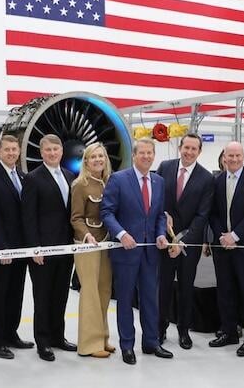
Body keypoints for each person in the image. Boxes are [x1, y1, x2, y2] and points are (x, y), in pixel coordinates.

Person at [100, 137, 172, 365]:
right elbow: (107, 212)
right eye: (143, 153)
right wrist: (121, 234)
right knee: (125, 300)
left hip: (151, 252)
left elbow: (160, 214)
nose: (147, 157)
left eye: (150, 153)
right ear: (134, 155)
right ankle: (127, 346)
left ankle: (151, 342)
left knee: (151, 299)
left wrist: (161, 234)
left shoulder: (159, 181)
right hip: (125, 252)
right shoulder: (118, 180)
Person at [22, 134, 77, 361]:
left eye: (56, 149)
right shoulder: (33, 179)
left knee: (61, 295)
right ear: (41, 153)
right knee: (42, 297)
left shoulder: (69, 175)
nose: (52, 153)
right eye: (48, 150)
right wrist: (35, 248)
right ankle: (43, 342)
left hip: (66, 250)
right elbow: (28, 217)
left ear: (61, 151)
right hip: (43, 250)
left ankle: (58, 336)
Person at [155, 133, 213, 349]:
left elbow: (202, 215)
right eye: (186, 147)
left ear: (199, 151)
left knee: (187, 287)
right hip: (164, 241)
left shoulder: (207, 178)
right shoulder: (164, 167)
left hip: (189, 245)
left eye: (193, 149)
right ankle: (160, 329)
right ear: (180, 147)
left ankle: (183, 331)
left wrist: (182, 242)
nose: (189, 152)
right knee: (163, 287)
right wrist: (162, 219)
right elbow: (156, 200)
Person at [0, 134, 34, 359]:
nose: (11, 153)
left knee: (16, 293)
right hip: (4, 249)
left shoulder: (22, 176)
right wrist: (1, 250)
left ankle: (12, 333)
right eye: (7, 150)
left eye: (14, 149)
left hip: (21, 249)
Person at [208, 141, 244, 357]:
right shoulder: (217, 180)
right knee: (225, 291)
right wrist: (222, 236)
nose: (233, 160)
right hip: (223, 247)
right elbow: (212, 213)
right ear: (224, 157)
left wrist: (235, 236)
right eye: (229, 156)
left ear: (243, 156)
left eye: (237, 156)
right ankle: (229, 331)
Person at [70, 142, 115, 358]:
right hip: (87, 245)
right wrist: (85, 234)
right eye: (93, 156)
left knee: (104, 291)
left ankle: (103, 338)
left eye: (101, 156)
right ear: (86, 161)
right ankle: (88, 344)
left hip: (107, 243)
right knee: (89, 293)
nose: (98, 160)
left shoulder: (108, 182)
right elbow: (76, 217)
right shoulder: (80, 184)